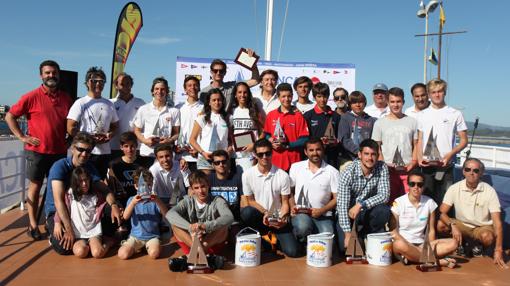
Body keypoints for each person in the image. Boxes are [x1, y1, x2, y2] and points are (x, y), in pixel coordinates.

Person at [5, 60, 72, 240]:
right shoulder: (31, 96)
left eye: (54, 73)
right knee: (34, 187)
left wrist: (71, 138)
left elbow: (72, 123)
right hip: (37, 152)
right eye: (47, 73)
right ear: (41, 75)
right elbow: (10, 116)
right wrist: (22, 137)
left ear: (59, 75)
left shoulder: (66, 98)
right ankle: (33, 224)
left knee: (59, 189)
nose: (51, 76)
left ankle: (56, 222)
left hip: (59, 152)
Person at [46, 132, 122, 255]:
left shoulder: (89, 167)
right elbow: (59, 201)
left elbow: (105, 190)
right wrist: (68, 229)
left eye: (88, 151)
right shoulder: (60, 167)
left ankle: (101, 236)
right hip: (59, 212)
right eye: (80, 149)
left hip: (84, 209)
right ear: (72, 148)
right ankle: (55, 233)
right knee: (63, 248)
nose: (84, 154)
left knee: (113, 207)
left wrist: (113, 206)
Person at [438, 158, 507, 268]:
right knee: (441, 225)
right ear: (463, 171)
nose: (471, 173)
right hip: (462, 224)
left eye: (476, 170)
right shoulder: (454, 188)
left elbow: (497, 223)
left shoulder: (489, 191)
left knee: (488, 237)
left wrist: (498, 250)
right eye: (468, 169)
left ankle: (477, 246)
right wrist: (453, 225)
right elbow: (442, 212)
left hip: (482, 226)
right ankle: (462, 244)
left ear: (481, 173)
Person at [240, 139, 300, 257]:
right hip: (261, 215)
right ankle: (264, 236)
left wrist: (281, 218)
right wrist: (266, 213)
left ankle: (271, 239)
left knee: (293, 252)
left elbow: (285, 202)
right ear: (255, 155)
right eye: (260, 154)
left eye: (267, 153)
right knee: (247, 212)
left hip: (277, 218)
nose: (264, 157)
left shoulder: (282, 175)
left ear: (272, 153)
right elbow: (250, 201)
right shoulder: (247, 174)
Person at [167, 170, 234, 270]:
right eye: (196, 188)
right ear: (192, 189)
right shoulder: (187, 201)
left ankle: (188, 258)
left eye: (203, 186)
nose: (200, 191)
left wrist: (204, 226)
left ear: (208, 185)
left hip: (210, 241)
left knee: (223, 227)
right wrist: (190, 227)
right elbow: (170, 214)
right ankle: (208, 258)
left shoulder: (217, 200)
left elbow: (229, 217)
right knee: (175, 225)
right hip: (192, 239)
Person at [416, 79, 468, 205]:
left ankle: (444, 225)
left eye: (440, 91)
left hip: (446, 168)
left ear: (444, 92)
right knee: (426, 202)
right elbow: (420, 139)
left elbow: (464, 140)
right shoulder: (422, 114)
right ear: (429, 94)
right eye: (433, 92)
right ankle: (429, 225)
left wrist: (450, 154)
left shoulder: (455, 113)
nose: (437, 95)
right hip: (427, 168)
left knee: (446, 202)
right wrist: (419, 158)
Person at [391, 170, 458, 267]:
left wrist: (428, 248)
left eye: (420, 184)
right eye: (412, 184)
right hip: (405, 243)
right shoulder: (398, 202)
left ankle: (414, 258)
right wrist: (410, 246)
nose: (416, 187)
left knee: (453, 243)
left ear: (423, 186)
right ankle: (436, 262)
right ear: (408, 185)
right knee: (398, 245)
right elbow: (394, 232)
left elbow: (431, 230)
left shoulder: (429, 202)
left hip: (422, 244)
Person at [336, 139, 390, 252]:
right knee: (345, 250)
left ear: (378, 155)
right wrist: (347, 234)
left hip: (366, 211)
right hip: (348, 214)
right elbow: (342, 206)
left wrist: (361, 204)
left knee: (384, 210)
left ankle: (366, 234)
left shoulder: (382, 167)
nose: (370, 158)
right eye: (366, 154)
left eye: (373, 154)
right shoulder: (348, 173)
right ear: (359, 154)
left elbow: (384, 195)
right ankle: (357, 236)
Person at [67, 66, 119, 179]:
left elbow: (115, 125)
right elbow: (70, 128)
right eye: (94, 81)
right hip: (85, 152)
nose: (98, 84)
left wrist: (110, 135)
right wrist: (88, 139)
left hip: (104, 152)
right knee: (83, 182)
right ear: (87, 83)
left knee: (100, 182)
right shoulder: (80, 103)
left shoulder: (109, 104)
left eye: (101, 81)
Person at [55, 167, 113, 259]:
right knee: (80, 252)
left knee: (98, 253)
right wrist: (57, 222)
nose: (84, 184)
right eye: (81, 181)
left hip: (93, 231)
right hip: (78, 233)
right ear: (76, 182)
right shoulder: (70, 195)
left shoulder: (96, 195)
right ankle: (88, 246)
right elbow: (62, 208)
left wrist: (115, 207)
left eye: (86, 180)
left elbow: (104, 204)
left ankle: (108, 243)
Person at [372, 87, 418, 203]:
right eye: (392, 102)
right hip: (388, 172)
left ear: (403, 102)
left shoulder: (412, 121)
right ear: (387, 102)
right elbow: (376, 147)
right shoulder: (379, 123)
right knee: (390, 202)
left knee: (408, 202)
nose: (395, 105)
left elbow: (416, 144)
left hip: (407, 170)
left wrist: (413, 162)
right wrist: (383, 164)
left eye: (398, 101)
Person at [289, 139, 339, 244]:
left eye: (318, 149)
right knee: (303, 227)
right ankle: (302, 241)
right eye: (311, 150)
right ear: (305, 152)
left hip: (323, 215)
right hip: (301, 213)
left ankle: (312, 237)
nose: (315, 153)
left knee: (329, 240)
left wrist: (321, 210)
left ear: (323, 150)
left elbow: (337, 198)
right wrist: (292, 206)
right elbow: (289, 192)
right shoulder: (296, 167)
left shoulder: (333, 171)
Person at [117, 167, 168, 260]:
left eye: (149, 185)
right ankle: (135, 246)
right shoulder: (132, 200)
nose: (146, 188)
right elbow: (125, 217)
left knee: (154, 254)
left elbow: (167, 215)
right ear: (136, 186)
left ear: (152, 185)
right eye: (142, 185)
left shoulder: (155, 200)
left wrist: (158, 201)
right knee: (122, 254)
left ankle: (150, 246)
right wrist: (132, 203)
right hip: (135, 237)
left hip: (152, 236)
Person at [133, 77, 180, 167]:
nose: (159, 91)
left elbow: (177, 133)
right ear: (152, 91)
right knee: (146, 180)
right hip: (147, 154)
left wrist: (169, 140)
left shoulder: (174, 111)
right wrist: (145, 141)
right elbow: (136, 130)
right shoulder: (143, 109)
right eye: (157, 89)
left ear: (167, 91)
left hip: (165, 155)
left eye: (162, 89)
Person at [264, 83, 309, 172]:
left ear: (292, 96)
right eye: (283, 96)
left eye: (289, 96)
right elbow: (266, 134)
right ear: (278, 97)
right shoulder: (271, 115)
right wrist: (270, 140)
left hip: (294, 162)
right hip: (275, 161)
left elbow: (305, 139)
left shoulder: (298, 115)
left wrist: (287, 146)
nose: (286, 99)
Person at [190, 88, 232, 173]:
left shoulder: (228, 118)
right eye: (214, 100)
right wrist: (202, 153)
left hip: (222, 161)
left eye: (219, 100)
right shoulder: (202, 118)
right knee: (206, 186)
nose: (217, 102)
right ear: (209, 102)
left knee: (220, 186)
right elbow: (192, 140)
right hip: (206, 159)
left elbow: (231, 139)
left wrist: (229, 149)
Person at [303, 82, 341, 168]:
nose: (322, 99)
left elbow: (340, 138)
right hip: (314, 157)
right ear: (314, 97)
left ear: (328, 96)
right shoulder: (308, 116)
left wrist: (335, 142)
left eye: (325, 96)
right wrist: (319, 142)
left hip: (331, 158)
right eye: (319, 96)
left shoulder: (336, 116)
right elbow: (305, 139)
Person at [228, 81, 264, 171]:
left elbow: (264, 130)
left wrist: (255, 144)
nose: (242, 95)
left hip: (252, 155)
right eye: (239, 92)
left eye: (245, 92)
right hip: (236, 155)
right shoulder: (231, 111)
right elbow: (228, 133)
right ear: (235, 94)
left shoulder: (254, 110)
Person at [110, 72, 145, 158]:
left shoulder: (141, 103)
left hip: (135, 148)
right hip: (115, 147)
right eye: (122, 84)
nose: (125, 86)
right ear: (116, 86)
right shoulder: (110, 103)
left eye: (128, 83)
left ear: (131, 85)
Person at [338, 91, 377, 164]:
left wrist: (366, 154)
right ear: (349, 104)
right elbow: (345, 140)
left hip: (367, 158)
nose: (358, 105)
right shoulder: (345, 118)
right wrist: (359, 152)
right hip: (348, 159)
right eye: (354, 102)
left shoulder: (371, 120)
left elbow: (373, 140)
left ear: (365, 104)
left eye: (360, 102)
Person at [107, 131, 143, 208]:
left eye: (132, 146)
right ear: (121, 147)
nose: (129, 149)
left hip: (140, 201)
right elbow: (108, 186)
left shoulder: (145, 162)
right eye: (126, 146)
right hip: (121, 202)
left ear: (137, 145)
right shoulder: (114, 165)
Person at [176, 76, 204, 172]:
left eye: (195, 85)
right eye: (189, 85)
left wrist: (199, 149)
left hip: (199, 156)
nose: (192, 87)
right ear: (185, 89)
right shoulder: (178, 108)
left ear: (199, 87)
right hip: (182, 157)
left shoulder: (205, 108)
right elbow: (175, 131)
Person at [208, 150, 244, 223]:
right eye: (217, 163)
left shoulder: (238, 178)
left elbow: (244, 200)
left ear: (229, 162)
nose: (221, 164)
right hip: (215, 220)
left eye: (223, 162)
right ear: (213, 165)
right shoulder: (208, 179)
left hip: (235, 218)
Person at [149, 143, 188, 208]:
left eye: (167, 156)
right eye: (161, 157)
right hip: (161, 200)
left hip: (181, 199)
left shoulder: (181, 165)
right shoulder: (153, 170)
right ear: (157, 159)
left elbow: (190, 186)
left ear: (172, 155)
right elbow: (152, 192)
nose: (165, 160)